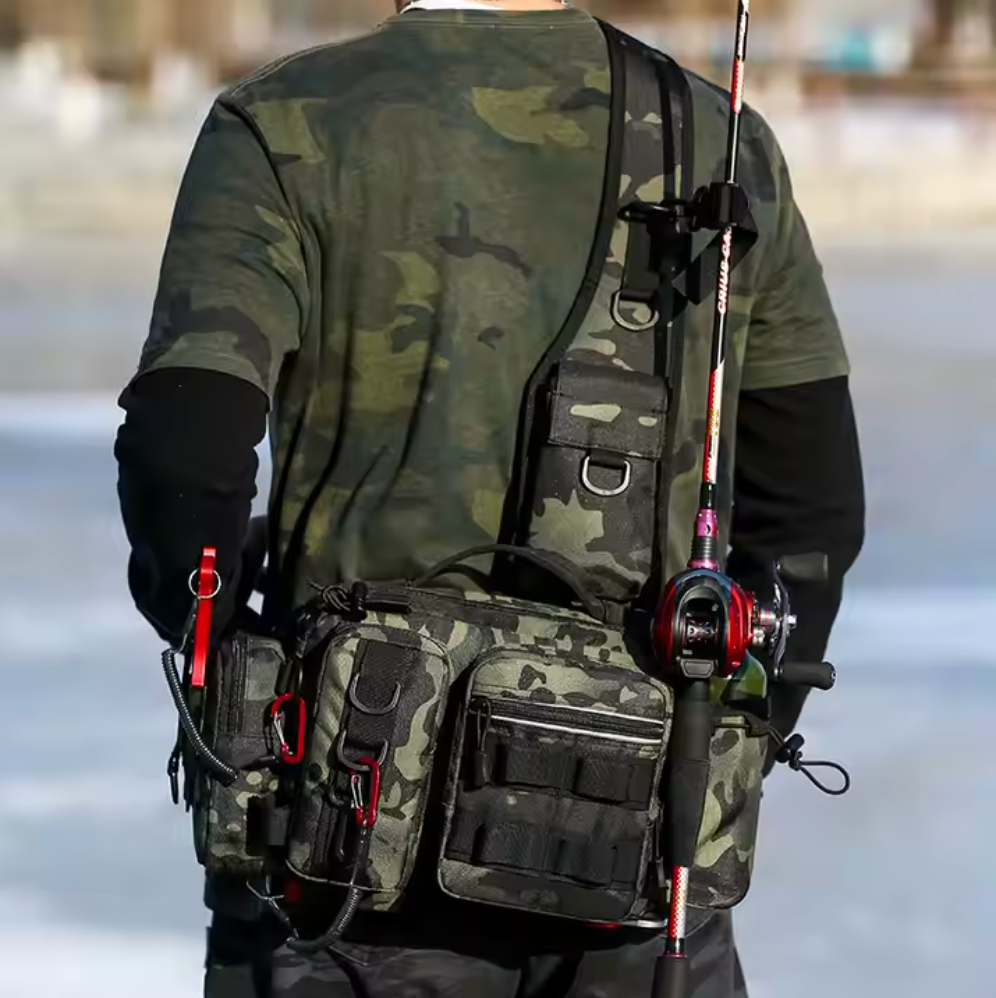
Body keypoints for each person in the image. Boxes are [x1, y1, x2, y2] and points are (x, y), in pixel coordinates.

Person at [114, 1, 866, 996]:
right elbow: (813, 511)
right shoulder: (721, 139)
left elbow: (184, 447)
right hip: (634, 860)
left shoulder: (284, 121)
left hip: (342, 840)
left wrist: (225, 660)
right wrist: (719, 742)